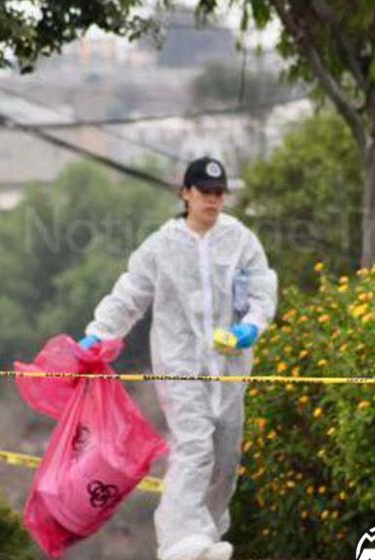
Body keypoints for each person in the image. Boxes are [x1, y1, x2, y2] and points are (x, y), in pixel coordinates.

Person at [79, 156, 278, 560]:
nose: (213, 200)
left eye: (220, 193)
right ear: (185, 193)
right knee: (194, 447)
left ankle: (205, 535)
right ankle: (178, 543)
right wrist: (98, 334)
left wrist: (250, 328)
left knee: (225, 457)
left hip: (230, 371)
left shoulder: (240, 240)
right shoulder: (161, 246)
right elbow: (130, 294)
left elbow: (262, 290)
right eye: (205, 192)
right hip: (180, 366)